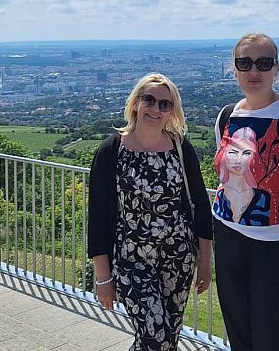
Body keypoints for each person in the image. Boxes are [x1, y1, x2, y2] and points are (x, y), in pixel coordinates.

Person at [87, 73, 213, 351]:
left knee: (167, 339)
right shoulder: (112, 149)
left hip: (178, 258)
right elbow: (98, 217)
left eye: (165, 104)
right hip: (132, 259)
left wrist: (205, 260)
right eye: (149, 100)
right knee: (156, 339)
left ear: (172, 111)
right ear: (136, 103)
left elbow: (200, 205)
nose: (156, 109)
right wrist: (103, 277)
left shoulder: (180, 147)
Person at [212, 33, 279, 351]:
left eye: (263, 62)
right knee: (238, 333)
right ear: (234, 69)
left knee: (270, 336)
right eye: (245, 63)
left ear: (276, 68)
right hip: (227, 233)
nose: (254, 70)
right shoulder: (227, 115)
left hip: (275, 244)